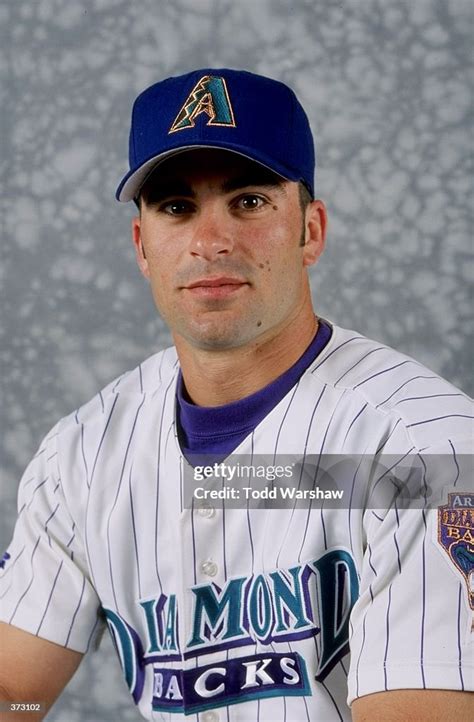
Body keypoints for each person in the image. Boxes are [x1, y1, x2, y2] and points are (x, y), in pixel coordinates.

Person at [0, 68, 472, 722]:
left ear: (310, 230)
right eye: (176, 207)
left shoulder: (427, 451)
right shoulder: (79, 455)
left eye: (249, 202)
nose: (211, 241)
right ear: (142, 245)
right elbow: (12, 688)